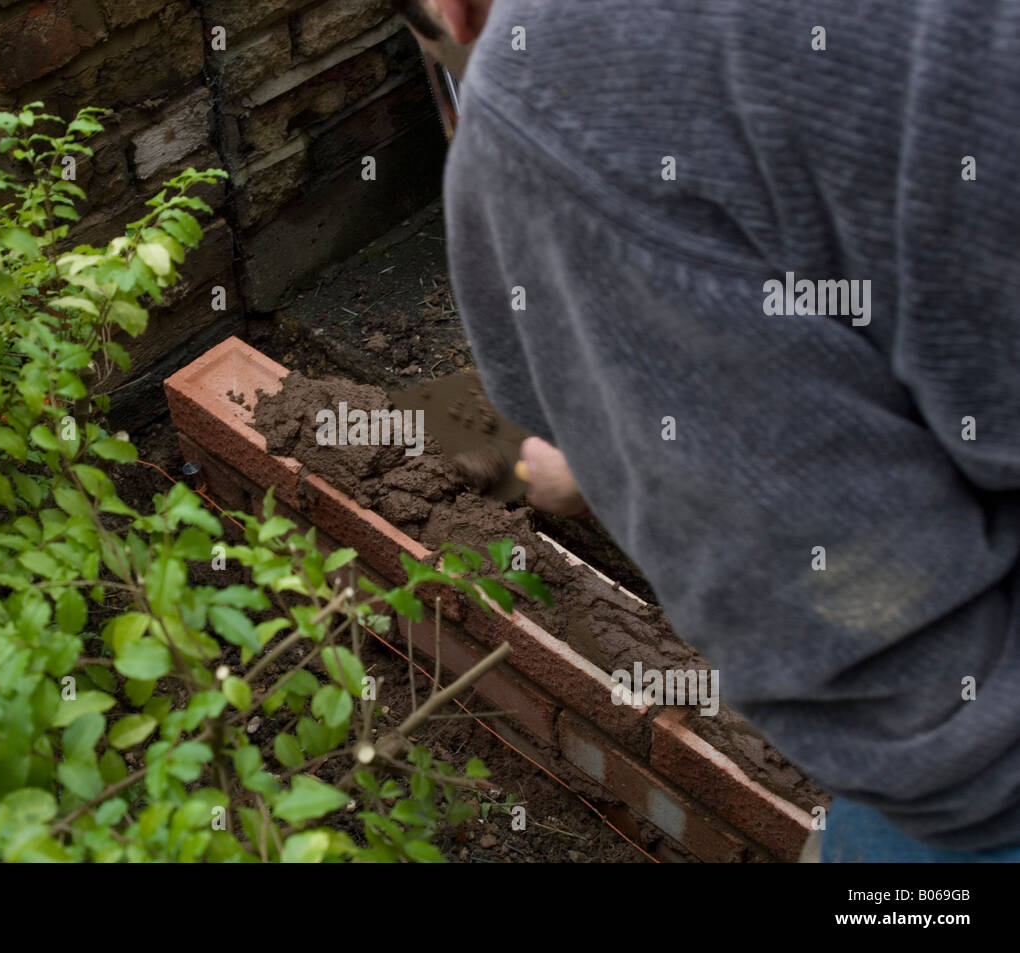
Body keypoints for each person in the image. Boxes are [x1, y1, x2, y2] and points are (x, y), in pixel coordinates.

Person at [393, 0, 1020, 861]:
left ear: (454, 14)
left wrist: (656, 468)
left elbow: (892, 677)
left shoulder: (553, 85)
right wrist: (634, 449)